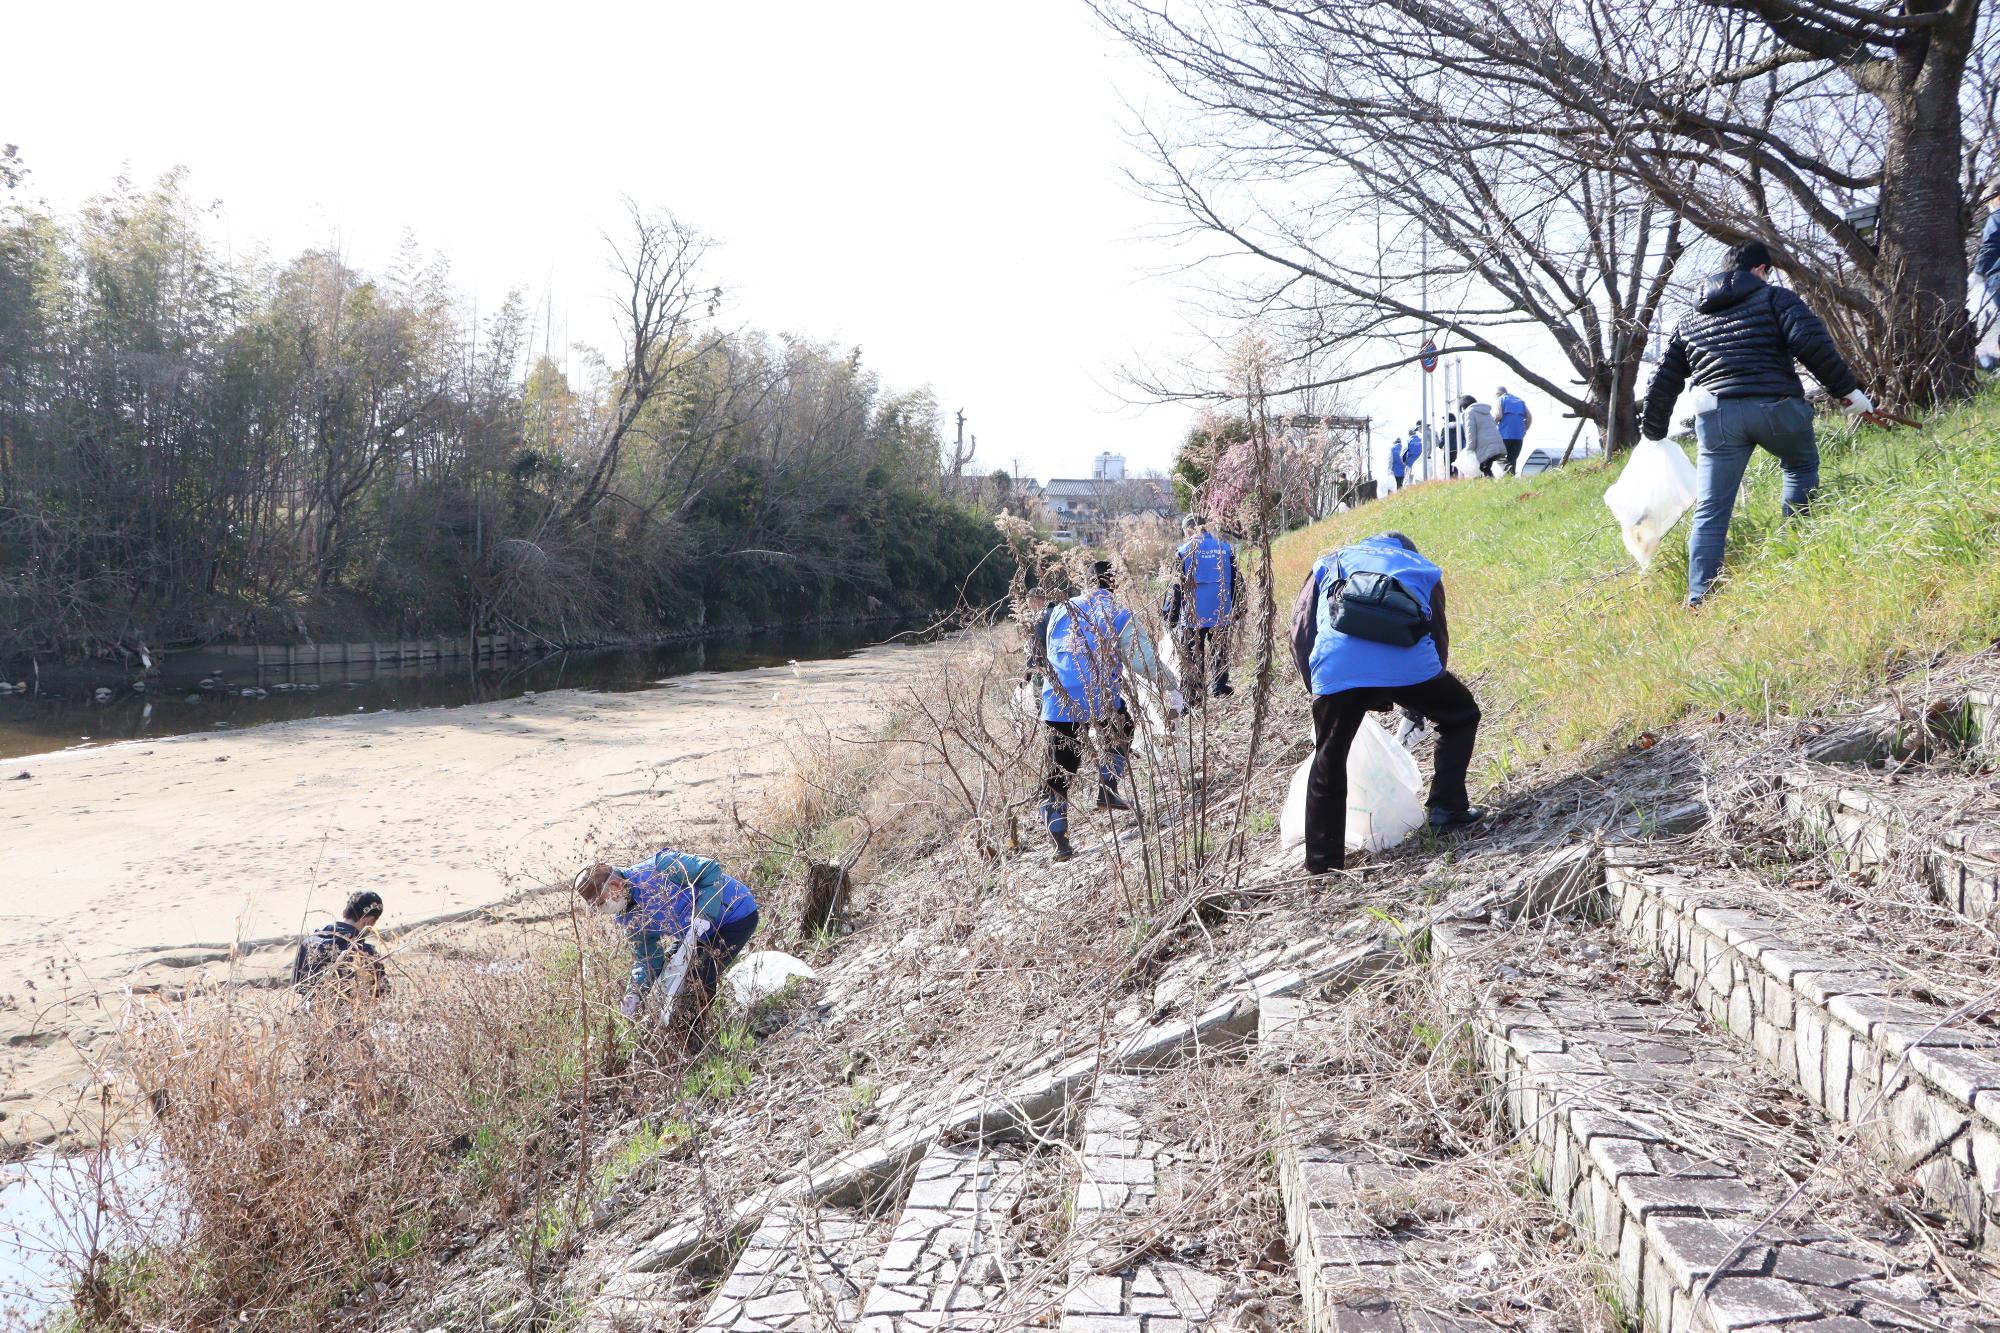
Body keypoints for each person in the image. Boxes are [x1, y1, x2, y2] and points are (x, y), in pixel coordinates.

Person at [1640, 240, 1872, 607]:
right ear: (1761, 270)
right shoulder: (1775, 299)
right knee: (1800, 466)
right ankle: (1796, 549)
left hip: (1716, 418)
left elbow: (1663, 379)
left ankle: (1699, 597)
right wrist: (1847, 393)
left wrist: (1652, 431)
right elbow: (1811, 344)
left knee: (1713, 508)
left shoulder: (1689, 320)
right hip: (1776, 407)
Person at [1288, 532, 1483, 875]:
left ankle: (1322, 864)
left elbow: (1302, 628)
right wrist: (1419, 698)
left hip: (1338, 667)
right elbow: (1435, 631)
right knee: (1461, 715)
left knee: (1329, 759)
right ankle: (1446, 811)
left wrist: (1318, 688)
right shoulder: (1419, 566)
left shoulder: (1331, 561)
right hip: (1408, 666)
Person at [1028, 561, 1183, 861]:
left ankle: (1059, 840)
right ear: (1113, 584)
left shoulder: (1060, 608)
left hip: (1057, 699)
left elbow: (1045, 651)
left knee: (1060, 769)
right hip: (1098, 697)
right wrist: (1170, 682)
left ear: (1086, 583)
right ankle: (1107, 789)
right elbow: (1143, 662)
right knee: (1122, 729)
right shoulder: (1117, 612)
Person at [574, 849, 760, 1022]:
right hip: (693, 934)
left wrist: (704, 913)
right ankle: (676, 1028)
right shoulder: (627, 917)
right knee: (672, 969)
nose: (602, 909)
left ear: (615, 886)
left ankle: (696, 1031)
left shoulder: (661, 866)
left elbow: (710, 869)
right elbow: (648, 958)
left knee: (700, 974)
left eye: (601, 903)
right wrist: (634, 993)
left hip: (735, 915)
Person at [1164, 514, 1242, 702]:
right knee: (1220, 650)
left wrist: (1170, 615)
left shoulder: (1183, 551)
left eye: (1185, 532)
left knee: (1192, 655)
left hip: (1193, 615)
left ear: (1189, 530)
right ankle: (1220, 687)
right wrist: (1238, 608)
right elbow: (1236, 581)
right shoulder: (1225, 548)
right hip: (1221, 610)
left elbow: (1176, 587)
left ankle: (1194, 695)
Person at [292, 890, 389, 1005]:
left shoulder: (308, 942)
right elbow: (383, 995)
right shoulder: (365, 952)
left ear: (344, 913)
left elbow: (298, 986)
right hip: (350, 1019)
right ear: (369, 921)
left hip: (309, 1017)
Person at [1458, 395, 1506, 477]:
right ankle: (1499, 481)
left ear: (1463, 406)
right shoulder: (1486, 411)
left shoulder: (1469, 412)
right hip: (1496, 443)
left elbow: (1470, 433)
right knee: (1487, 468)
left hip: (1485, 447)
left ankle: (1491, 487)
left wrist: (1469, 449)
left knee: (1483, 469)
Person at [1495, 387, 1532, 474]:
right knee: (1512, 459)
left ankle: (1506, 467)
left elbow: (1498, 415)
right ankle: (1510, 481)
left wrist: (1492, 427)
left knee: (1497, 455)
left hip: (1505, 435)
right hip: (1519, 437)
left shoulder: (1500, 399)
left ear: (1498, 394)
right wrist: (1524, 429)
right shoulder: (1520, 401)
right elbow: (1529, 417)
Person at [1440, 412, 1461, 476]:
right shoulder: (1459, 427)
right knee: (1457, 467)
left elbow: (1443, 440)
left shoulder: (1445, 428)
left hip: (1448, 451)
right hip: (1458, 450)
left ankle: (1450, 481)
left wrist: (1440, 446)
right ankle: (1457, 479)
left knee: (1448, 469)